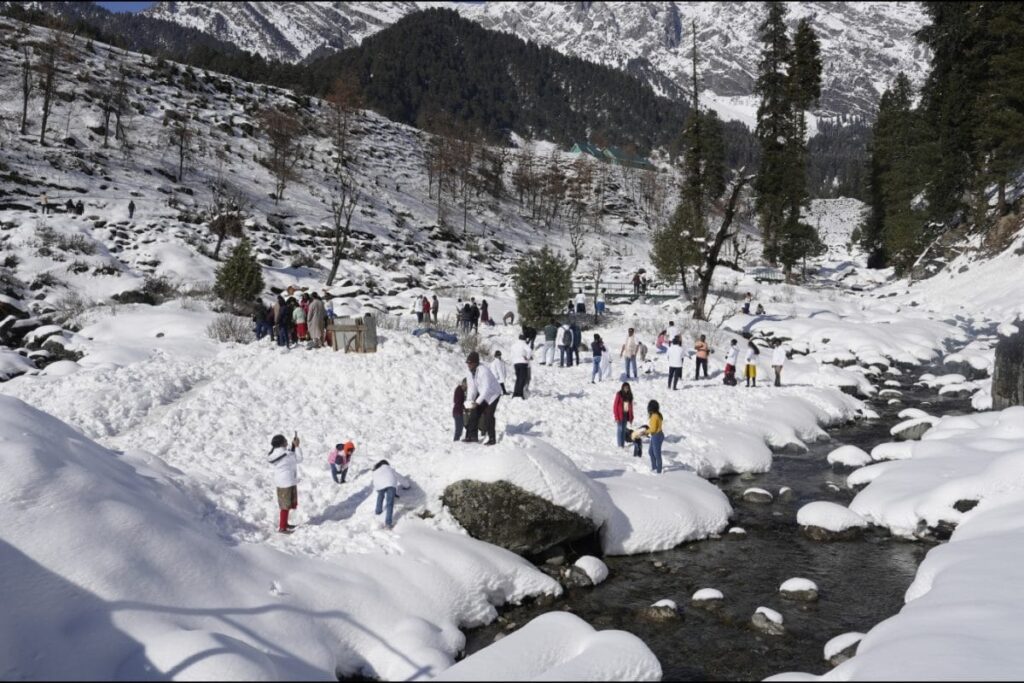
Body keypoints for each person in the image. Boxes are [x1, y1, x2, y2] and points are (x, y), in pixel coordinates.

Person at [267, 433, 302, 534]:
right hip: (288, 482)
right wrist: (297, 446)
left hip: (281, 482)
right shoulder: (286, 454)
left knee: (284, 505)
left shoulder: (275, 454)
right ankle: (282, 527)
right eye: (285, 441)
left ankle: (285, 524)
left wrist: (293, 446)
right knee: (285, 507)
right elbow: (298, 459)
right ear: (282, 443)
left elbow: (288, 455)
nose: (287, 442)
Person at [465, 351, 501, 445]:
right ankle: (472, 436)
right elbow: (472, 388)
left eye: (470, 363)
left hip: (493, 394)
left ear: (476, 363)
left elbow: (486, 389)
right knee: (474, 413)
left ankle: (492, 439)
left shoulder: (484, 371)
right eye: (468, 363)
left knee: (488, 415)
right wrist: (469, 400)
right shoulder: (469, 372)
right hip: (483, 394)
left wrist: (477, 402)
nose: (468, 365)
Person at [372, 459, 410, 530]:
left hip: (380, 485)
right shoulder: (389, 469)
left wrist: (378, 489)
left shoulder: (376, 471)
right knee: (390, 504)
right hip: (390, 485)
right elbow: (400, 478)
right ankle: (388, 524)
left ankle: (378, 512)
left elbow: (375, 481)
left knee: (380, 496)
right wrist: (407, 485)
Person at [613, 383, 634, 449]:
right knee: (620, 430)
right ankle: (620, 445)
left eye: (627, 388)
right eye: (625, 388)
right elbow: (615, 406)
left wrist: (631, 417)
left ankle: (622, 445)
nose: (626, 389)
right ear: (622, 388)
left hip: (625, 414)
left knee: (624, 430)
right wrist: (616, 417)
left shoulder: (629, 395)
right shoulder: (619, 394)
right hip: (619, 415)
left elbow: (631, 408)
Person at [645, 400, 664, 473]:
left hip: (657, 436)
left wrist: (646, 432)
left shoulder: (654, 416)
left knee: (657, 454)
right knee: (651, 452)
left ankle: (659, 471)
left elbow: (653, 429)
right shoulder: (658, 414)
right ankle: (654, 467)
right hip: (657, 435)